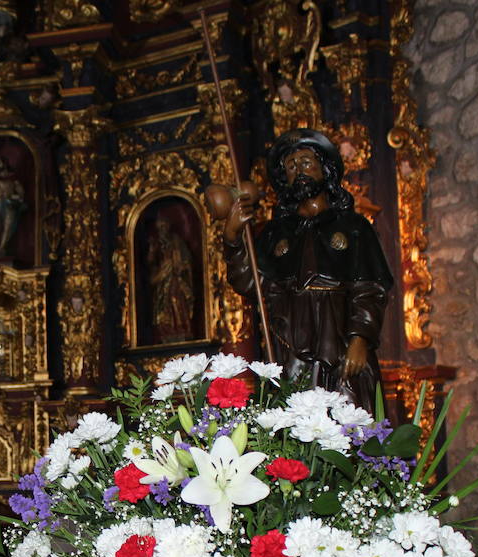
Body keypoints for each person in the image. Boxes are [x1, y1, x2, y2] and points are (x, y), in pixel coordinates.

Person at [220, 128, 392, 409]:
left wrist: (360, 337)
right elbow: (251, 284)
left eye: (305, 162)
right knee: (293, 415)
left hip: (339, 337)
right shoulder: (275, 233)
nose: (298, 171)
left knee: (349, 418)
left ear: (325, 169)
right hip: (290, 341)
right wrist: (233, 238)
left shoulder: (354, 227)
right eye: (290, 166)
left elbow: (370, 287)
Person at [147, 217, 195, 343]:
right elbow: (150, 262)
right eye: (159, 228)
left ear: (168, 226)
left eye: (163, 226)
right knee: (162, 306)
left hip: (175, 277)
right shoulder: (157, 243)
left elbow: (186, 262)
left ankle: (181, 327)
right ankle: (166, 331)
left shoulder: (176, 241)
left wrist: (178, 265)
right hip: (162, 279)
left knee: (175, 299)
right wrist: (152, 249)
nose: (162, 230)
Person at [0, 157, 26, 258]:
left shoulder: (13, 177)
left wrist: (17, 196)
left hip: (9, 202)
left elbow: (20, 191)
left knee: (8, 224)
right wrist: (2, 184)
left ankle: (2, 247)